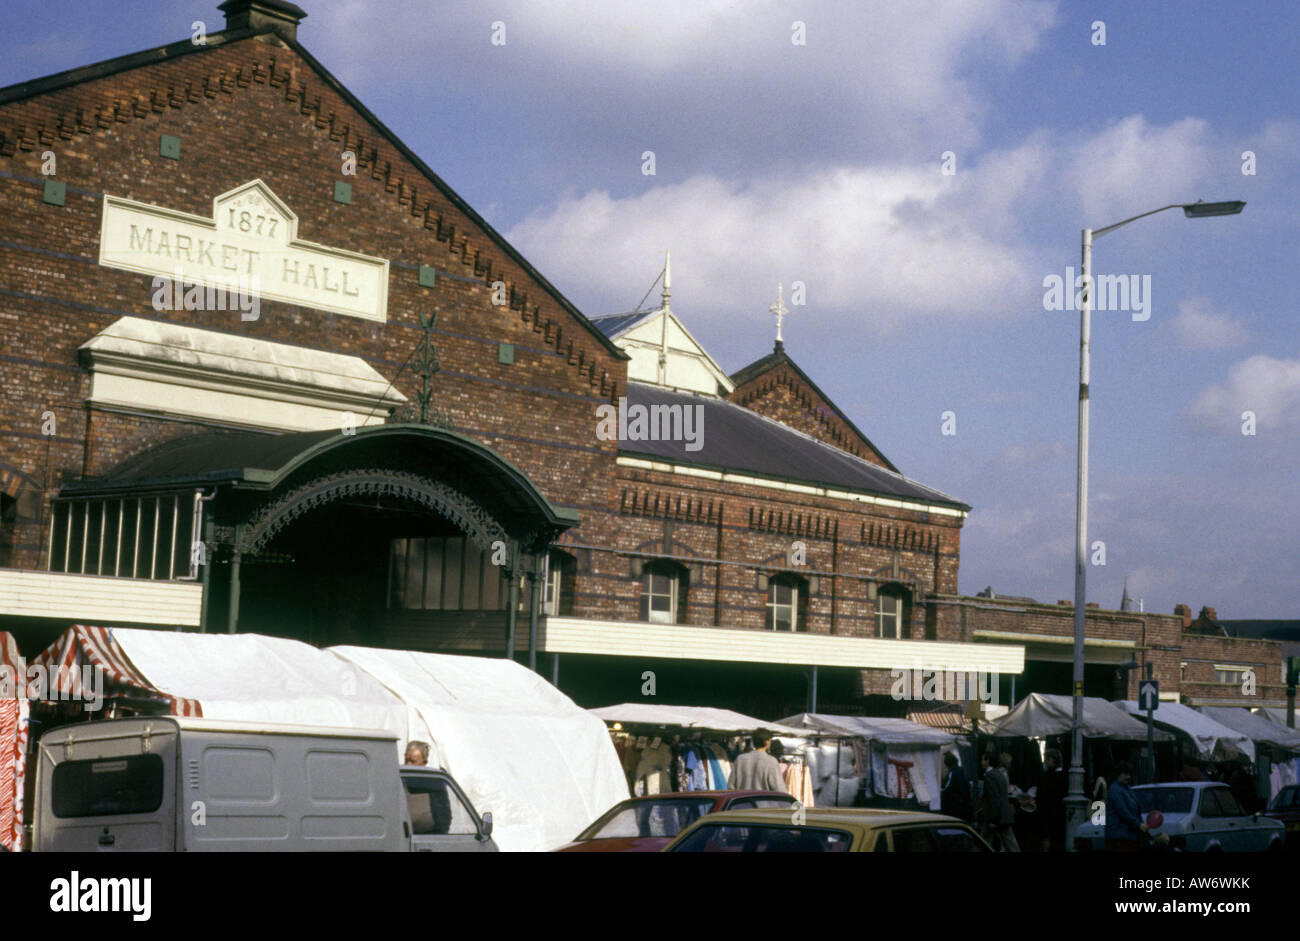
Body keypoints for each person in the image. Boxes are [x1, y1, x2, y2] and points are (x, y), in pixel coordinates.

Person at [980, 752, 1020, 852]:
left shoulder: (990, 776)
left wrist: (993, 819)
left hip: (996, 816)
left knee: (982, 842)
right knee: (1010, 843)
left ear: (988, 761)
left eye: (983, 759)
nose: (981, 762)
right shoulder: (999, 774)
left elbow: (993, 798)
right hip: (1003, 815)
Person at [1104, 761, 1146, 852]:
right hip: (1118, 836)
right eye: (1125, 774)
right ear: (1118, 774)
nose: (1128, 777)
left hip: (1129, 835)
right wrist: (1138, 824)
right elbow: (1123, 811)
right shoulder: (1115, 790)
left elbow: (1136, 809)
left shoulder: (1128, 789)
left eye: (1129, 774)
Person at [1038, 748, 1068, 852]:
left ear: (1053, 760)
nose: (1045, 762)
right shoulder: (1064, 776)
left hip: (1050, 812)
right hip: (1057, 813)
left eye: (1047, 760)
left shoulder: (1050, 776)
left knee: (1048, 837)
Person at [940, 753, 973, 822]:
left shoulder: (952, 773)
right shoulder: (963, 771)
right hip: (965, 805)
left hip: (955, 806)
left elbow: (946, 788)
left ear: (947, 764)